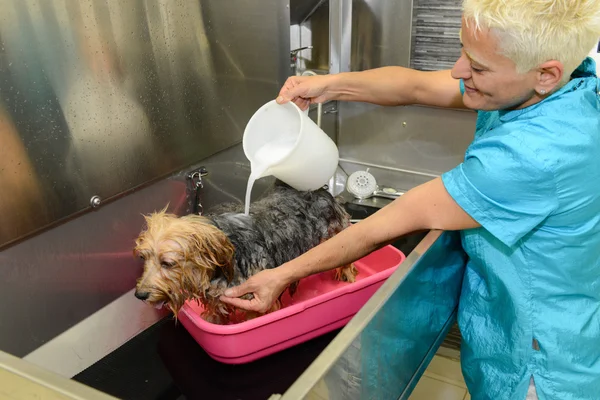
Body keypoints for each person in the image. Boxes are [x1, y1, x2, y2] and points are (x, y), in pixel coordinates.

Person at [221, 1, 600, 399]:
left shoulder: (529, 156)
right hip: (546, 320)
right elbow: (415, 86)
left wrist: (281, 275)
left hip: (538, 365)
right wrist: (326, 85)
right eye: (463, 52)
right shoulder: (550, 89)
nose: (457, 71)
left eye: (478, 66)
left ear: (545, 73)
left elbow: (388, 223)